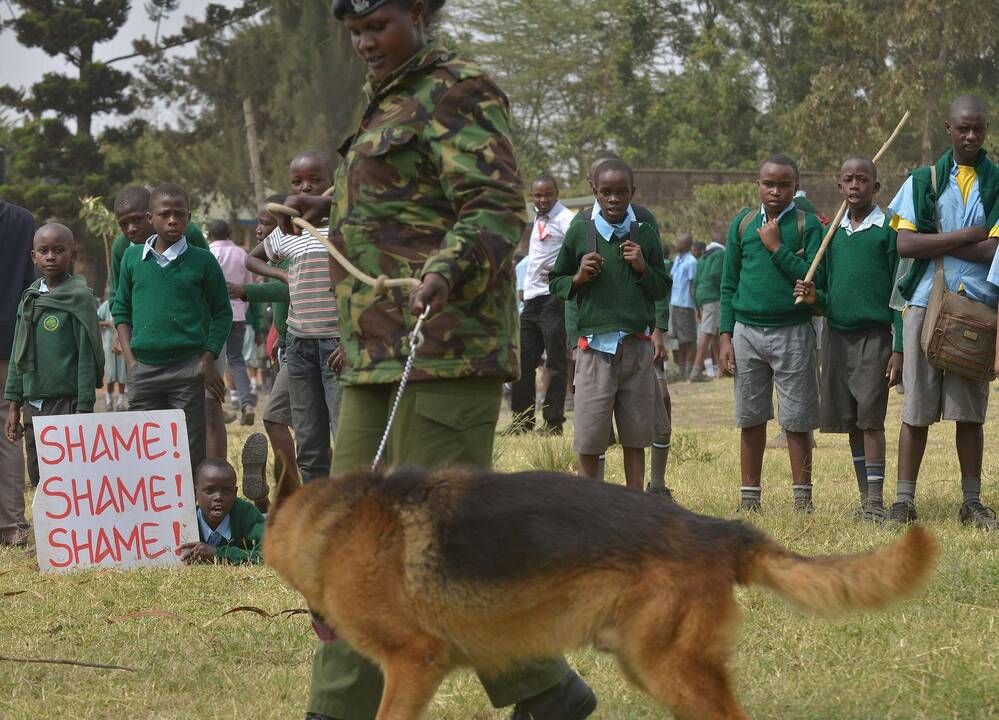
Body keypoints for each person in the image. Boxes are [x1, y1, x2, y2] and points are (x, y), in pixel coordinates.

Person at [286, 1, 598, 718]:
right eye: (355, 31)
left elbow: (493, 208)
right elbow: (405, 210)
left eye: (378, 25)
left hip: (444, 349)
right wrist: (324, 208)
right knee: (349, 544)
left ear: (422, 12)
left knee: (444, 547)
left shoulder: (459, 90)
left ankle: (544, 690)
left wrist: (446, 271)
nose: (364, 42)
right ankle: (340, 708)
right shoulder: (388, 100)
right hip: (374, 352)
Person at [888, 95, 999, 530]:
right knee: (916, 409)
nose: (971, 136)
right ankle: (903, 502)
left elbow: (995, 251)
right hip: (923, 305)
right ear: (948, 130)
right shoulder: (922, 180)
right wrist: (969, 235)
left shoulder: (997, 181)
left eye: (979, 129)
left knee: (969, 412)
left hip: (977, 310)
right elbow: (905, 244)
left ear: (986, 131)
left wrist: (942, 237)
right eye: (963, 128)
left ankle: (972, 502)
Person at [549, 158, 670, 491]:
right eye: (606, 192)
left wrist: (644, 267)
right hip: (594, 349)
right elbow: (556, 282)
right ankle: (589, 506)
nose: (614, 199)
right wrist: (578, 276)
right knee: (589, 438)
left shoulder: (644, 230)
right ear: (594, 192)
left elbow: (661, 286)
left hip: (635, 347)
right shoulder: (580, 231)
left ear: (633, 191)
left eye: (621, 192)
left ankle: (634, 506)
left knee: (635, 437)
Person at [795, 157, 901, 523]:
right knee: (852, 420)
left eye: (862, 179)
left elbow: (898, 293)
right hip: (837, 336)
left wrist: (898, 346)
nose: (855, 186)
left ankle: (876, 501)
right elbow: (825, 293)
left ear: (876, 186)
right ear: (839, 187)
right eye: (848, 180)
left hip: (875, 336)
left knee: (871, 418)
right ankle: (864, 497)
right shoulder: (833, 233)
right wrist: (814, 297)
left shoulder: (888, 229)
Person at [718, 154, 824, 513]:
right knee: (751, 418)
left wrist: (777, 248)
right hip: (746, 332)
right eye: (768, 184)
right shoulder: (743, 224)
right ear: (757, 185)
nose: (776, 191)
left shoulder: (807, 225)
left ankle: (802, 501)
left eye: (784, 185)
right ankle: (750, 500)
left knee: (797, 420)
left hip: (793, 331)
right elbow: (728, 282)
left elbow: (812, 278)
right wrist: (725, 335)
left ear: (796, 185)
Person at [113, 184, 231, 476]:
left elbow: (222, 312)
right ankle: (151, 515)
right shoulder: (131, 258)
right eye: (165, 214)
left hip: (187, 369)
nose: (172, 220)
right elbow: (121, 309)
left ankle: (190, 512)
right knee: (143, 449)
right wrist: (130, 361)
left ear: (189, 217)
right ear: (151, 218)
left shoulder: (203, 261)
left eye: (180, 214)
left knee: (189, 450)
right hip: (144, 369)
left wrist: (207, 358)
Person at [247, 151, 342, 485]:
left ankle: (350, 513)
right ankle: (315, 509)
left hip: (336, 346)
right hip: (299, 346)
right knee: (309, 440)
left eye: (315, 180)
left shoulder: (343, 226)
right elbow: (252, 259)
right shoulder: (288, 231)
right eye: (298, 182)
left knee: (343, 435)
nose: (306, 188)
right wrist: (283, 276)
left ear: (333, 183)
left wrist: (348, 340)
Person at [4, 223, 104, 489]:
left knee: (70, 472)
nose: (50, 256)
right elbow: (18, 350)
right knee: (38, 471)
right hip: (33, 401)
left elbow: (86, 355)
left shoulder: (79, 298)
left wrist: (84, 406)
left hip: (66, 401)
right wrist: (14, 403)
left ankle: (75, 529)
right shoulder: (30, 297)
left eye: (59, 250)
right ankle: (49, 528)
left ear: (72, 255)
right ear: (33, 256)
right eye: (43, 251)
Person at [232, 195, 295, 513]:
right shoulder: (276, 258)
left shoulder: (293, 254)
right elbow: (283, 306)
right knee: (287, 420)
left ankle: (290, 491)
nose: (258, 230)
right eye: (257, 222)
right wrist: (276, 336)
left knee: (276, 417)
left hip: (306, 348)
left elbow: (288, 289)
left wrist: (245, 291)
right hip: (288, 344)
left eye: (266, 224)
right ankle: (288, 491)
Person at [509, 174, 574, 435]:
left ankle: (553, 422)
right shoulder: (536, 217)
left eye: (547, 194)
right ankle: (521, 423)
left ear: (557, 193)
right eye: (537, 195)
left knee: (556, 362)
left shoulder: (567, 219)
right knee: (523, 363)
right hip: (532, 300)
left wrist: (566, 272)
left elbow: (584, 249)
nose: (542, 199)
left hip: (554, 299)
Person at [0, 198, 34, 547]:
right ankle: (12, 526)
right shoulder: (23, 220)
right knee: (8, 432)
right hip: (11, 339)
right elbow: (31, 284)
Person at [208, 219, 256, 425]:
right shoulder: (241, 253)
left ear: (210, 234)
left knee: (212, 361)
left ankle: (215, 407)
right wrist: (242, 309)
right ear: (230, 233)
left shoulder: (207, 253)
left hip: (213, 316)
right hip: (237, 314)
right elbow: (249, 287)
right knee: (236, 360)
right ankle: (247, 404)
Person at [179, 458, 265, 565]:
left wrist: (218, 554)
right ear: (195, 492)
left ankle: (263, 499)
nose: (218, 497)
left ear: (235, 493)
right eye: (210, 490)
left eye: (227, 491)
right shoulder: (183, 518)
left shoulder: (246, 513)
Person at [689, 233, 725, 381]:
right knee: (707, 331)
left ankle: (721, 368)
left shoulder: (703, 257)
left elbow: (695, 283)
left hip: (701, 296)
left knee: (714, 330)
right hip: (712, 296)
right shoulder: (720, 254)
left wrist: (697, 306)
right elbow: (716, 274)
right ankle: (696, 370)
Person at [668, 232, 697, 377]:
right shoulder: (678, 259)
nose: (676, 244)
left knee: (689, 338)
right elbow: (671, 278)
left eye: (678, 242)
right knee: (677, 337)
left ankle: (690, 370)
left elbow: (692, 284)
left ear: (685, 244)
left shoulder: (691, 261)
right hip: (675, 302)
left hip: (686, 304)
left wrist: (697, 306)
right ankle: (680, 370)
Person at [97, 288, 127, 411]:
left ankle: (120, 401)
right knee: (110, 372)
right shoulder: (106, 305)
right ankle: (109, 399)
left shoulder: (125, 304)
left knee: (122, 372)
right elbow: (96, 320)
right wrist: (108, 323)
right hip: (108, 344)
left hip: (122, 343)